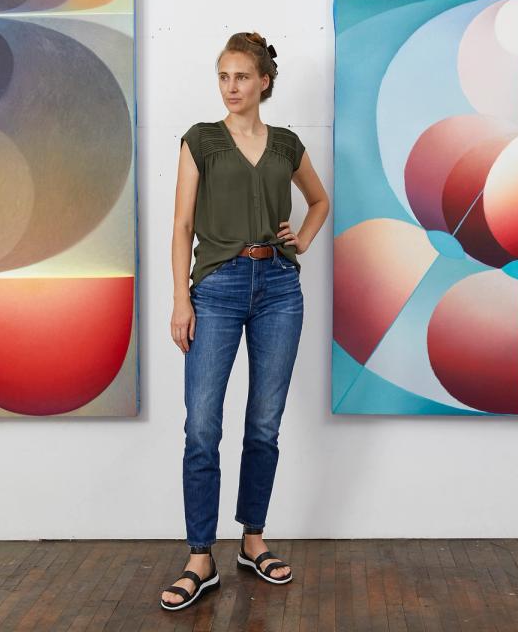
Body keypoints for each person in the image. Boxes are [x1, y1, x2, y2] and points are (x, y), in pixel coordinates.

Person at [160, 32, 329, 611]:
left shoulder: (285, 144)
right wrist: (182, 301)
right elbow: (182, 226)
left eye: (241, 77)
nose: (230, 87)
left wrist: (300, 240)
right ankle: (200, 556)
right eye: (223, 77)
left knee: (264, 424)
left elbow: (319, 200)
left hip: (279, 287)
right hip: (218, 288)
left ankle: (252, 539)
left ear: (263, 82)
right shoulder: (200, 141)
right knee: (202, 425)